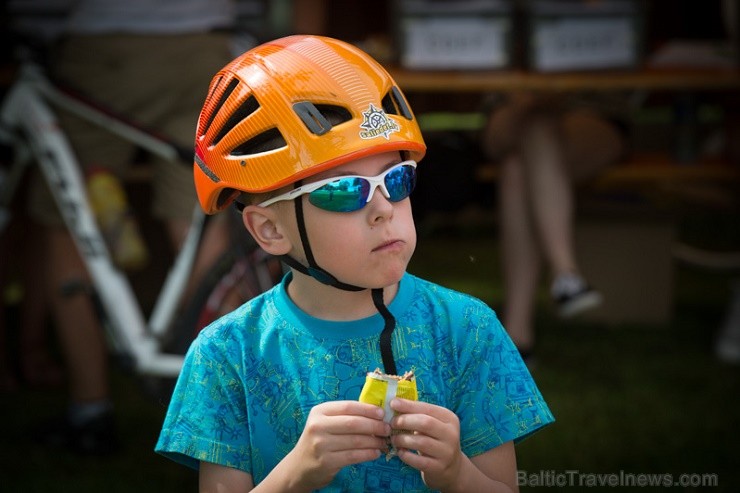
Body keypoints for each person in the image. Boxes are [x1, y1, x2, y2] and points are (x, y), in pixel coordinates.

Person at [155, 35, 554, 492]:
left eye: (397, 179)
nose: (384, 208)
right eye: (346, 190)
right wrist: (296, 472)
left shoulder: (467, 329)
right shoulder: (227, 354)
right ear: (270, 230)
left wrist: (458, 474)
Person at [24, 0, 237, 454]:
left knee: (70, 219)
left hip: (109, 43)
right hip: (207, 46)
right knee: (200, 216)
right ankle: (225, 410)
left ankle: (90, 410)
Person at [480, 92, 629, 361]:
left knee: (517, 166)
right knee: (536, 118)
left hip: (586, 114)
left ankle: (518, 336)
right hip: (510, 110)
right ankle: (565, 274)